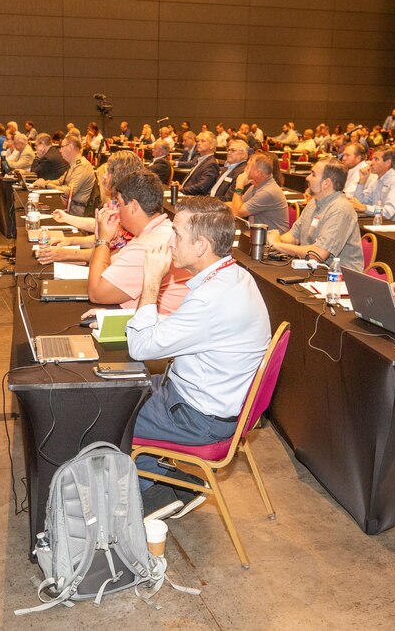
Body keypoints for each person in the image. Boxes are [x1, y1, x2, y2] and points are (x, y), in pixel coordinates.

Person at [126, 197, 272, 517]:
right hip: (205, 406)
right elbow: (194, 331)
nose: (169, 241)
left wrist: (152, 281)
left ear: (202, 245)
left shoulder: (210, 298)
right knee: (126, 388)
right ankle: (163, 484)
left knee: (107, 410)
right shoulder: (234, 276)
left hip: (198, 420)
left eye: (176, 233)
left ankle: (149, 494)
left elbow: (140, 347)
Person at [82, 171, 192, 314]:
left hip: (157, 328)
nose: (118, 211)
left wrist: (103, 240)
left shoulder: (148, 245)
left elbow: (96, 293)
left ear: (133, 206)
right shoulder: (157, 230)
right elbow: (109, 265)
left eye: (120, 204)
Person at [268, 159, 364, 271]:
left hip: (338, 279)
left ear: (326, 183)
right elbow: (294, 236)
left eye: (313, 174)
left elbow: (318, 254)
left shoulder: (340, 209)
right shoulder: (314, 202)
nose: (307, 178)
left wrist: (277, 245)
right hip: (314, 270)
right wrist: (270, 241)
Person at [32, 135, 96, 216]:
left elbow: (70, 192)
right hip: (70, 206)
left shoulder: (82, 166)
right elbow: (59, 181)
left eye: (62, 147)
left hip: (75, 210)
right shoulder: (73, 164)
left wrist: (47, 185)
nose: (60, 150)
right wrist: (44, 182)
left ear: (70, 147)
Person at [229, 152, 289, 232]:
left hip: (271, 240)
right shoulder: (256, 186)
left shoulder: (268, 192)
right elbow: (237, 205)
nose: (244, 169)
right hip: (258, 236)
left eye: (248, 167)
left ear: (258, 173)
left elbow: (237, 213)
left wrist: (239, 186)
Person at [351, 148, 395, 223]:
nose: (371, 163)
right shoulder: (376, 181)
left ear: (388, 162)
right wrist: (362, 182)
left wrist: (364, 208)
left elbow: (388, 213)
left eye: (376, 159)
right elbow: (359, 203)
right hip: (380, 224)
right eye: (372, 159)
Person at [178, 131, 219, 196]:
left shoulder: (211, 164)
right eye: (198, 141)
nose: (198, 143)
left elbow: (202, 187)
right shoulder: (200, 160)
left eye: (203, 141)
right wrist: (180, 186)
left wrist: (182, 189)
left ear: (212, 145)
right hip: (186, 194)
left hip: (194, 200)